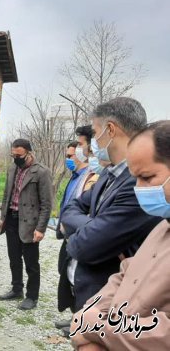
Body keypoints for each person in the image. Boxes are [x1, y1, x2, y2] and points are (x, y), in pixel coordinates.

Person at [71, 120, 170, 351]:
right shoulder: (162, 227)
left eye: (147, 177)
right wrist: (92, 310)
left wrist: (98, 330)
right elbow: (126, 273)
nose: (138, 188)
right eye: (135, 178)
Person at [61, 97, 161, 312]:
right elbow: (71, 208)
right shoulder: (109, 173)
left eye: (96, 133)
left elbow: (87, 246)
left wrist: (74, 231)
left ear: (110, 129)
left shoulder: (138, 182)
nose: (94, 141)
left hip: (112, 302)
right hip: (87, 292)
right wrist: (92, 225)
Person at [0, 138, 53, 310]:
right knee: (14, 258)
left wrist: (41, 228)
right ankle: (16, 289)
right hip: (12, 220)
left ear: (29, 153)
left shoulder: (41, 172)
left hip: (29, 222)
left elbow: (47, 203)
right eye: (13, 154)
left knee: (31, 262)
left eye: (19, 155)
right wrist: (2, 217)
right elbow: (7, 194)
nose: (16, 158)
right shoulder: (13, 167)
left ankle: (32, 296)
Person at [55, 140, 98, 336]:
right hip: (69, 232)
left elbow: (84, 209)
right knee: (68, 274)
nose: (68, 160)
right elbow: (71, 205)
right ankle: (75, 317)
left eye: (70, 156)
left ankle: (81, 323)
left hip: (80, 233)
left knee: (80, 277)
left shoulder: (91, 177)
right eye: (66, 156)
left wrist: (71, 221)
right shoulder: (75, 177)